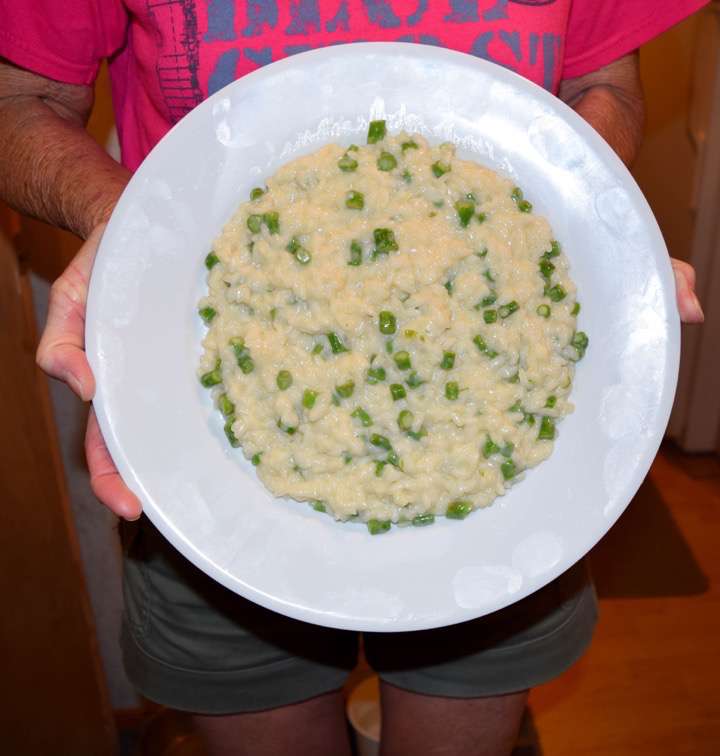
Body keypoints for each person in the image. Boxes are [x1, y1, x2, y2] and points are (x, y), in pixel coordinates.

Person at [0, 3, 706, 755]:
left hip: (508, 478)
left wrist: (587, 221)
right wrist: (129, 227)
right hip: (202, 434)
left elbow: (607, 85)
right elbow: (18, 103)